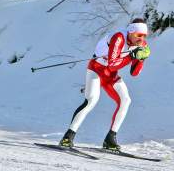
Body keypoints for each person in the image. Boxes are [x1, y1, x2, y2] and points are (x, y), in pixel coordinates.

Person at [59, 18, 151, 150]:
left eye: (144, 36)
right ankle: (67, 137)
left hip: (110, 75)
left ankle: (110, 139)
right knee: (91, 100)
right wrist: (132, 56)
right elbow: (112, 64)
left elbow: (134, 73)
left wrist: (141, 58)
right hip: (96, 69)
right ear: (130, 32)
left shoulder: (142, 45)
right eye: (138, 35)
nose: (141, 38)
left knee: (126, 100)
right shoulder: (119, 38)